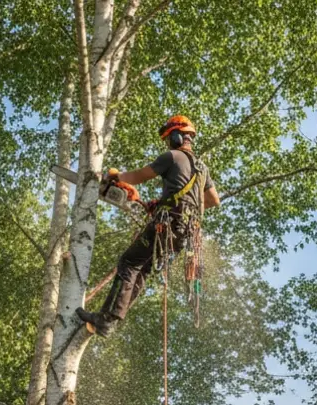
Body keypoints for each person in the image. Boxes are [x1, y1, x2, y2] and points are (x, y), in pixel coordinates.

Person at [76, 115, 221, 337]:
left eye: (168, 138)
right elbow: (212, 201)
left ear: (176, 136)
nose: (167, 143)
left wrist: (117, 176)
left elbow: (139, 176)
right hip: (184, 236)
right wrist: (169, 203)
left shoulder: (172, 156)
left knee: (129, 262)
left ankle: (105, 319)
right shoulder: (202, 169)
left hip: (168, 225)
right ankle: (112, 319)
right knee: (142, 269)